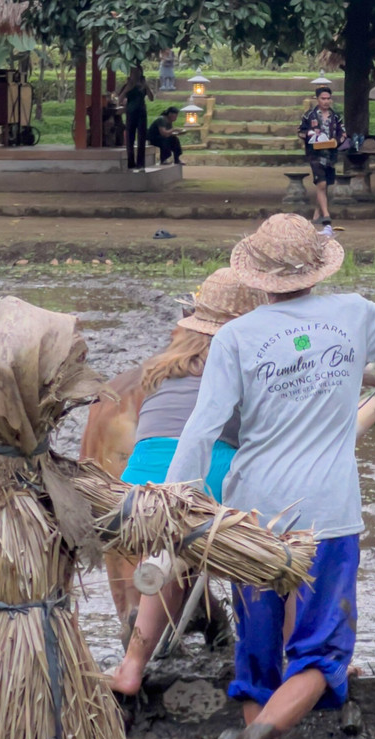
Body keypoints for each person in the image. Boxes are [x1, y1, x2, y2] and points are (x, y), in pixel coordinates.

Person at [163, 213, 375, 739]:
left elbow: (202, 429)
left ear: (257, 279)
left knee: (256, 656)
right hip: (327, 518)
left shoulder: (235, 336)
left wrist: (176, 505)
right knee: (321, 654)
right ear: (318, 272)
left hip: (252, 518)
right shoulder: (354, 315)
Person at [107, 269, 267, 696]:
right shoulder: (246, 362)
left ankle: (131, 666)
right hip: (202, 481)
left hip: (137, 494)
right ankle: (274, 655)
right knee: (270, 552)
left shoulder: (160, 367)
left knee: (172, 564)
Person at [298, 86, 346, 229]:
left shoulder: (336, 117)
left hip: (331, 155)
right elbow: (300, 132)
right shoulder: (309, 116)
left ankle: (316, 215)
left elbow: (342, 134)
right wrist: (310, 135)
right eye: (323, 99)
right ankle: (326, 216)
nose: (326, 101)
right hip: (315, 155)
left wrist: (337, 141)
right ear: (317, 99)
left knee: (325, 186)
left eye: (328, 98)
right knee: (322, 184)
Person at [119, 66, 154, 171]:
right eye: (133, 72)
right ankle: (131, 163)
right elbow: (119, 100)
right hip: (130, 113)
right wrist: (126, 90)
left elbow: (151, 98)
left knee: (141, 139)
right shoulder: (127, 85)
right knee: (130, 139)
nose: (135, 74)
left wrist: (146, 86)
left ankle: (141, 164)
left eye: (137, 72)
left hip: (141, 113)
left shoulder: (143, 86)